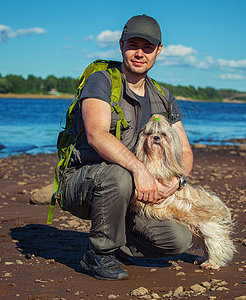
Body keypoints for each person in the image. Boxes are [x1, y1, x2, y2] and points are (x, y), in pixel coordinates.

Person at [59, 14, 194, 280]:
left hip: (134, 195)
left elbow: (186, 151)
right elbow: (97, 135)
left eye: (148, 48)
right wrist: (139, 170)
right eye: (133, 45)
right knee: (120, 174)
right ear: (121, 45)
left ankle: (119, 242)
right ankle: (99, 254)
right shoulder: (102, 81)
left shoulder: (164, 96)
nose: (140, 53)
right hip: (84, 183)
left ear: (159, 51)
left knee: (178, 240)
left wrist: (177, 181)